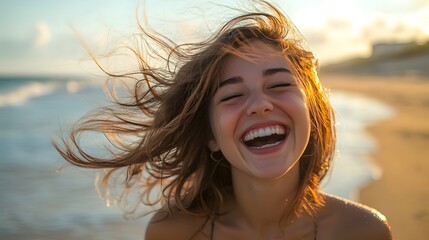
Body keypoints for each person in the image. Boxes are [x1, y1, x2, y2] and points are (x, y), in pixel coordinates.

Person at [54, 1, 392, 239]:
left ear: (311, 113)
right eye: (231, 96)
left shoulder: (363, 231)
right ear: (210, 135)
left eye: (278, 85)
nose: (260, 105)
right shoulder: (171, 233)